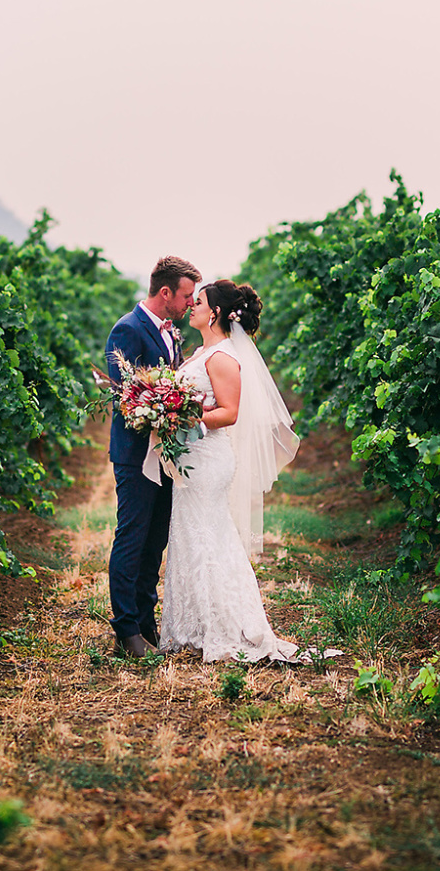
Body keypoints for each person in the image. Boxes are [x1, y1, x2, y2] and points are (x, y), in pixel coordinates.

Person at [152, 278, 308, 662]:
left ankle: (223, 626)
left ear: (216, 313)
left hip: (208, 461)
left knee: (209, 539)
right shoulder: (200, 353)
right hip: (193, 461)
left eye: (199, 301)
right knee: (191, 537)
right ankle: (193, 626)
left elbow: (230, 412)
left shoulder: (222, 356)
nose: (193, 306)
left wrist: (184, 418)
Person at [103, 255, 200, 657]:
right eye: (186, 296)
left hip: (164, 455)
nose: (190, 304)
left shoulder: (171, 333)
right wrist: (158, 406)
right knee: (132, 538)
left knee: (155, 540)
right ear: (165, 293)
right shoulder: (127, 329)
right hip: (135, 454)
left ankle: (146, 623)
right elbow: (122, 395)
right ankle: (126, 630)